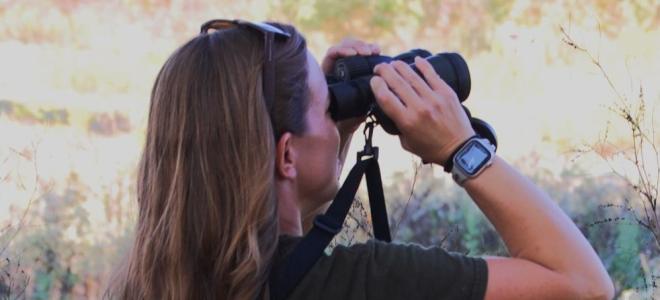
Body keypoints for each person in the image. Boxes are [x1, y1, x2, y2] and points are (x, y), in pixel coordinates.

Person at [106, 20, 614, 299]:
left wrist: (327, 135)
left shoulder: (145, 283)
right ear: (287, 155)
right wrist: (464, 150)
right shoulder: (362, 282)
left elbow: (273, 242)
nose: (337, 112)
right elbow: (583, 286)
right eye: (328, 105)